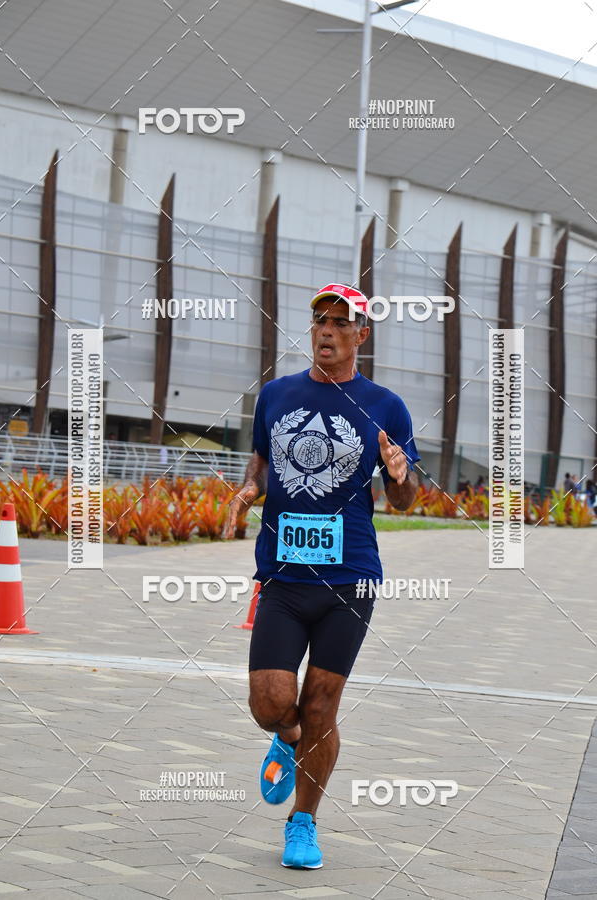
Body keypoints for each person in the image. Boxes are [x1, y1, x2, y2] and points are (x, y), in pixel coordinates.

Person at [222, 283, 420, 869]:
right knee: (270, 703)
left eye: (340, 323)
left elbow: (405, 501)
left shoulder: (386, 406)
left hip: (350, 578)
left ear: (362, 334)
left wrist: (400, 473)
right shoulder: (277, 395)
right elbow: (262, 461)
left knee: (322, 706)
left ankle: (302, 823)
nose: (327, 331)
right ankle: (287, 742)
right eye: (319, 322)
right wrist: (247, 489)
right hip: (284, 575)